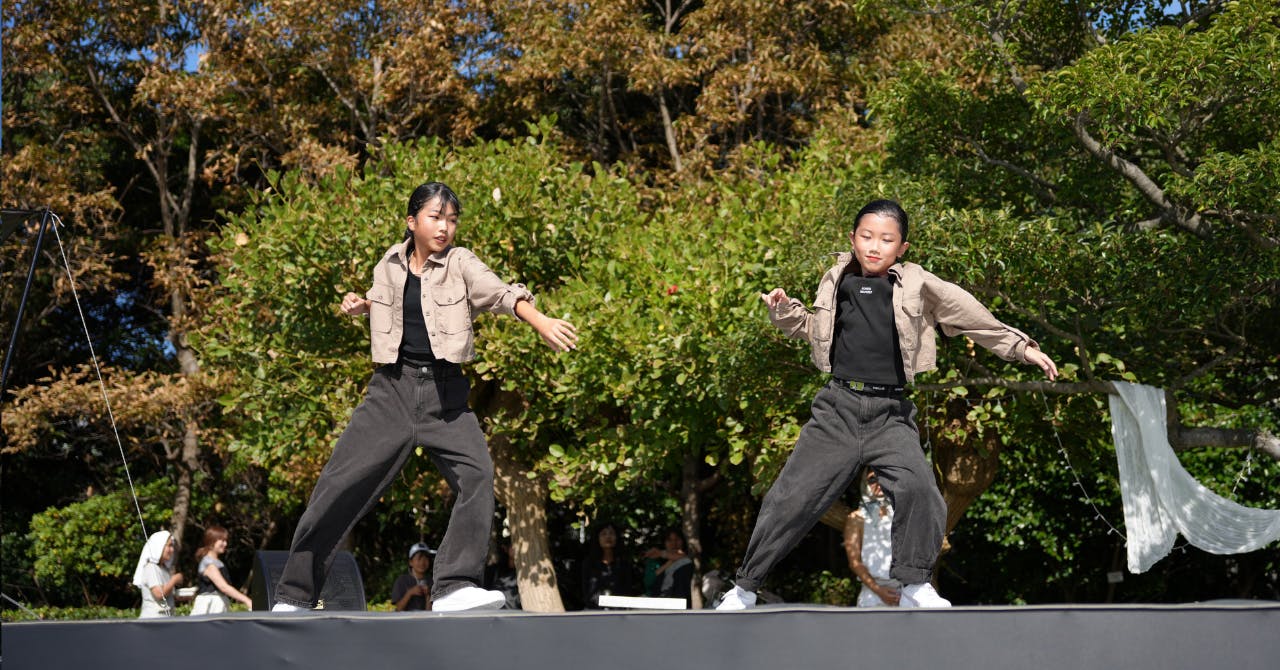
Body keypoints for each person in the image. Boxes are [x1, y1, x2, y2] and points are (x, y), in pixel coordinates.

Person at [718, 199, 1057, 610]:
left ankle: (914, 583)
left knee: (920, 490)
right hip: (837, 409)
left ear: (902, 248)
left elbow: (972, 317)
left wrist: (1022, 349)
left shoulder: (918, 283)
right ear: (852, 239)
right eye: (866, 237)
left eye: (886, 239)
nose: (874, 246)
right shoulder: (836, 278)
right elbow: (813, 329)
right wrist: (784, 312)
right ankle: (745, 588)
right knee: (791, 497)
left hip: (890, 413)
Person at [271, 182, 578, 613]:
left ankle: (453, 586)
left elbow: (501, 293)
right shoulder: (388, 264)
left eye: (452, 220)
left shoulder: (461, 262)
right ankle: (295, 596)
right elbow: (389, 302)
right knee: (337, 486)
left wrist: (539, 319)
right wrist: (363, 307)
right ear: (412, 222)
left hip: (446, 397)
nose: (445, 227)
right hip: (390, 393)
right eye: (435, 217)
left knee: (478, 476)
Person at [844, 469, 900, 607]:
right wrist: (878, 590)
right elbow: (854, 562)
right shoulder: (856, 518)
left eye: (883, 479)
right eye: (872, 479)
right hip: (873, 594)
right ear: (865, 483)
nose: (878, 483)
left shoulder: (901, 514)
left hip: (905, 592)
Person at [190, 525, 254, 614]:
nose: (225, 544)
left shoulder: (218, 563)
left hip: (219, 606)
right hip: (210, 607)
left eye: (226, 541)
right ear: (212, 541)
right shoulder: (208, 563)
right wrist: (246, 600)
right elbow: (224, 587)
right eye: (222, 541)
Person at [580, 522, 634, 609]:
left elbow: (627, 591)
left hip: (619, 612)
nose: (608, 537)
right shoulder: (589, 564)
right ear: (597, 539)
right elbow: (587, 593)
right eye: (604, 534)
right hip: (595, 612)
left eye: (611, 533)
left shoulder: (624, 564)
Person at [132, 530, 182, 618]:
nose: (172, 549)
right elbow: (159, 594)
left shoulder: (163, 569)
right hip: (153, 621)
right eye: (169, 546)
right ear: (159, 546)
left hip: (165, 620)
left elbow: (166, 594)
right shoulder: (151, 568)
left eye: (172, 546)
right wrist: (174, 580)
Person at [642, 528, 693, 606]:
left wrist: (663, 554)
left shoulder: (686, 561)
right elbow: (648, 583)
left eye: (677, 539)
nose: (674, 543)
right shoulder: (654, 560)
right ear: (664, 543)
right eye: (669, 540)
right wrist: (669, 563)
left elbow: (686, 559)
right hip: (654, 601)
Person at [391, 542, 436, 611]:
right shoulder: (402, 580)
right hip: (406, 621)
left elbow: (430, 613)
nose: (422, 562)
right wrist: (410, 593)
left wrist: (428, 595)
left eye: (426, 559)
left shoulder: (432, 581)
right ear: (410, 562)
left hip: (425, 620)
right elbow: (399, 609)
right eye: (419, 558)